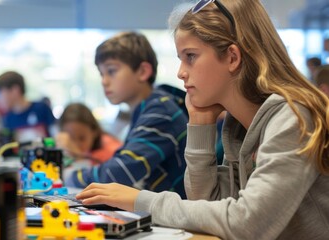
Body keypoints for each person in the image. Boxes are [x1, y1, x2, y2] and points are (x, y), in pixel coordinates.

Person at [76, 0, 329, 239]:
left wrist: (140, 201)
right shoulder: (239, 127)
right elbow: (206, 209)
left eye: (191, 56)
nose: (181, 72)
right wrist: (200, 123)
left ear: (232, 57)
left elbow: (248, 224)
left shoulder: (294, 116)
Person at [67, 32, 189, 198]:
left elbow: (120, 172)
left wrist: (70, 176)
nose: (104, 81)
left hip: (177, 217)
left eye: (111, 71)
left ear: (142, 71)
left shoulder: (160, 111)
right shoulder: (149, 108)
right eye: (101, 73)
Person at [0, 71, 55, 143]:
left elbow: (55, 136)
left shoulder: (42, 109)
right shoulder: (8, 118)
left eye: (1, 93)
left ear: (15, 90)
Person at [56, 103, 122, 164]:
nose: (76, 144)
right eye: (70, 138)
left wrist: (78, 156)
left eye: (81, 138)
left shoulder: (111, 151)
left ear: (94, 132)